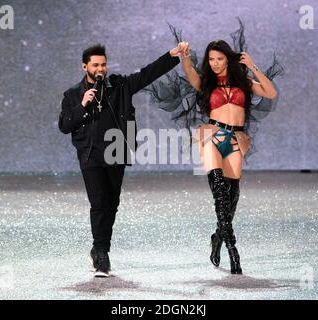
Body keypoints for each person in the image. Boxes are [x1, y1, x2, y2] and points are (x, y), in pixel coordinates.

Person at [58, 44, 182, 277]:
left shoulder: (119, 86)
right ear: (85, 66)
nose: (100, 68)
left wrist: (171, 56)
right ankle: (102, 252)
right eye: (95, 65)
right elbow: (65, 126)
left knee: (112, 203)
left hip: (116, 150)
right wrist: (83, 104)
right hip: (90, 154)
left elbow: (147, 74)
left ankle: (99, 249)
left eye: (103, 64)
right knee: (99, 202)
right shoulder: (73, 94)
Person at [178, 40, 278, 274]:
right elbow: (189, 71)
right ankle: (234, 252)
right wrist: (184, 57)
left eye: (219, 59)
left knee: (232, 198)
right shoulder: (206, 82)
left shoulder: (244, 83)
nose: (215, 64)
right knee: (220, 194)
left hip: (236, 139)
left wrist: (253, 66)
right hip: (211, 135)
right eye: (211, 59)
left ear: (228, 60)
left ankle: (218, 237)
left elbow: (271, 93)